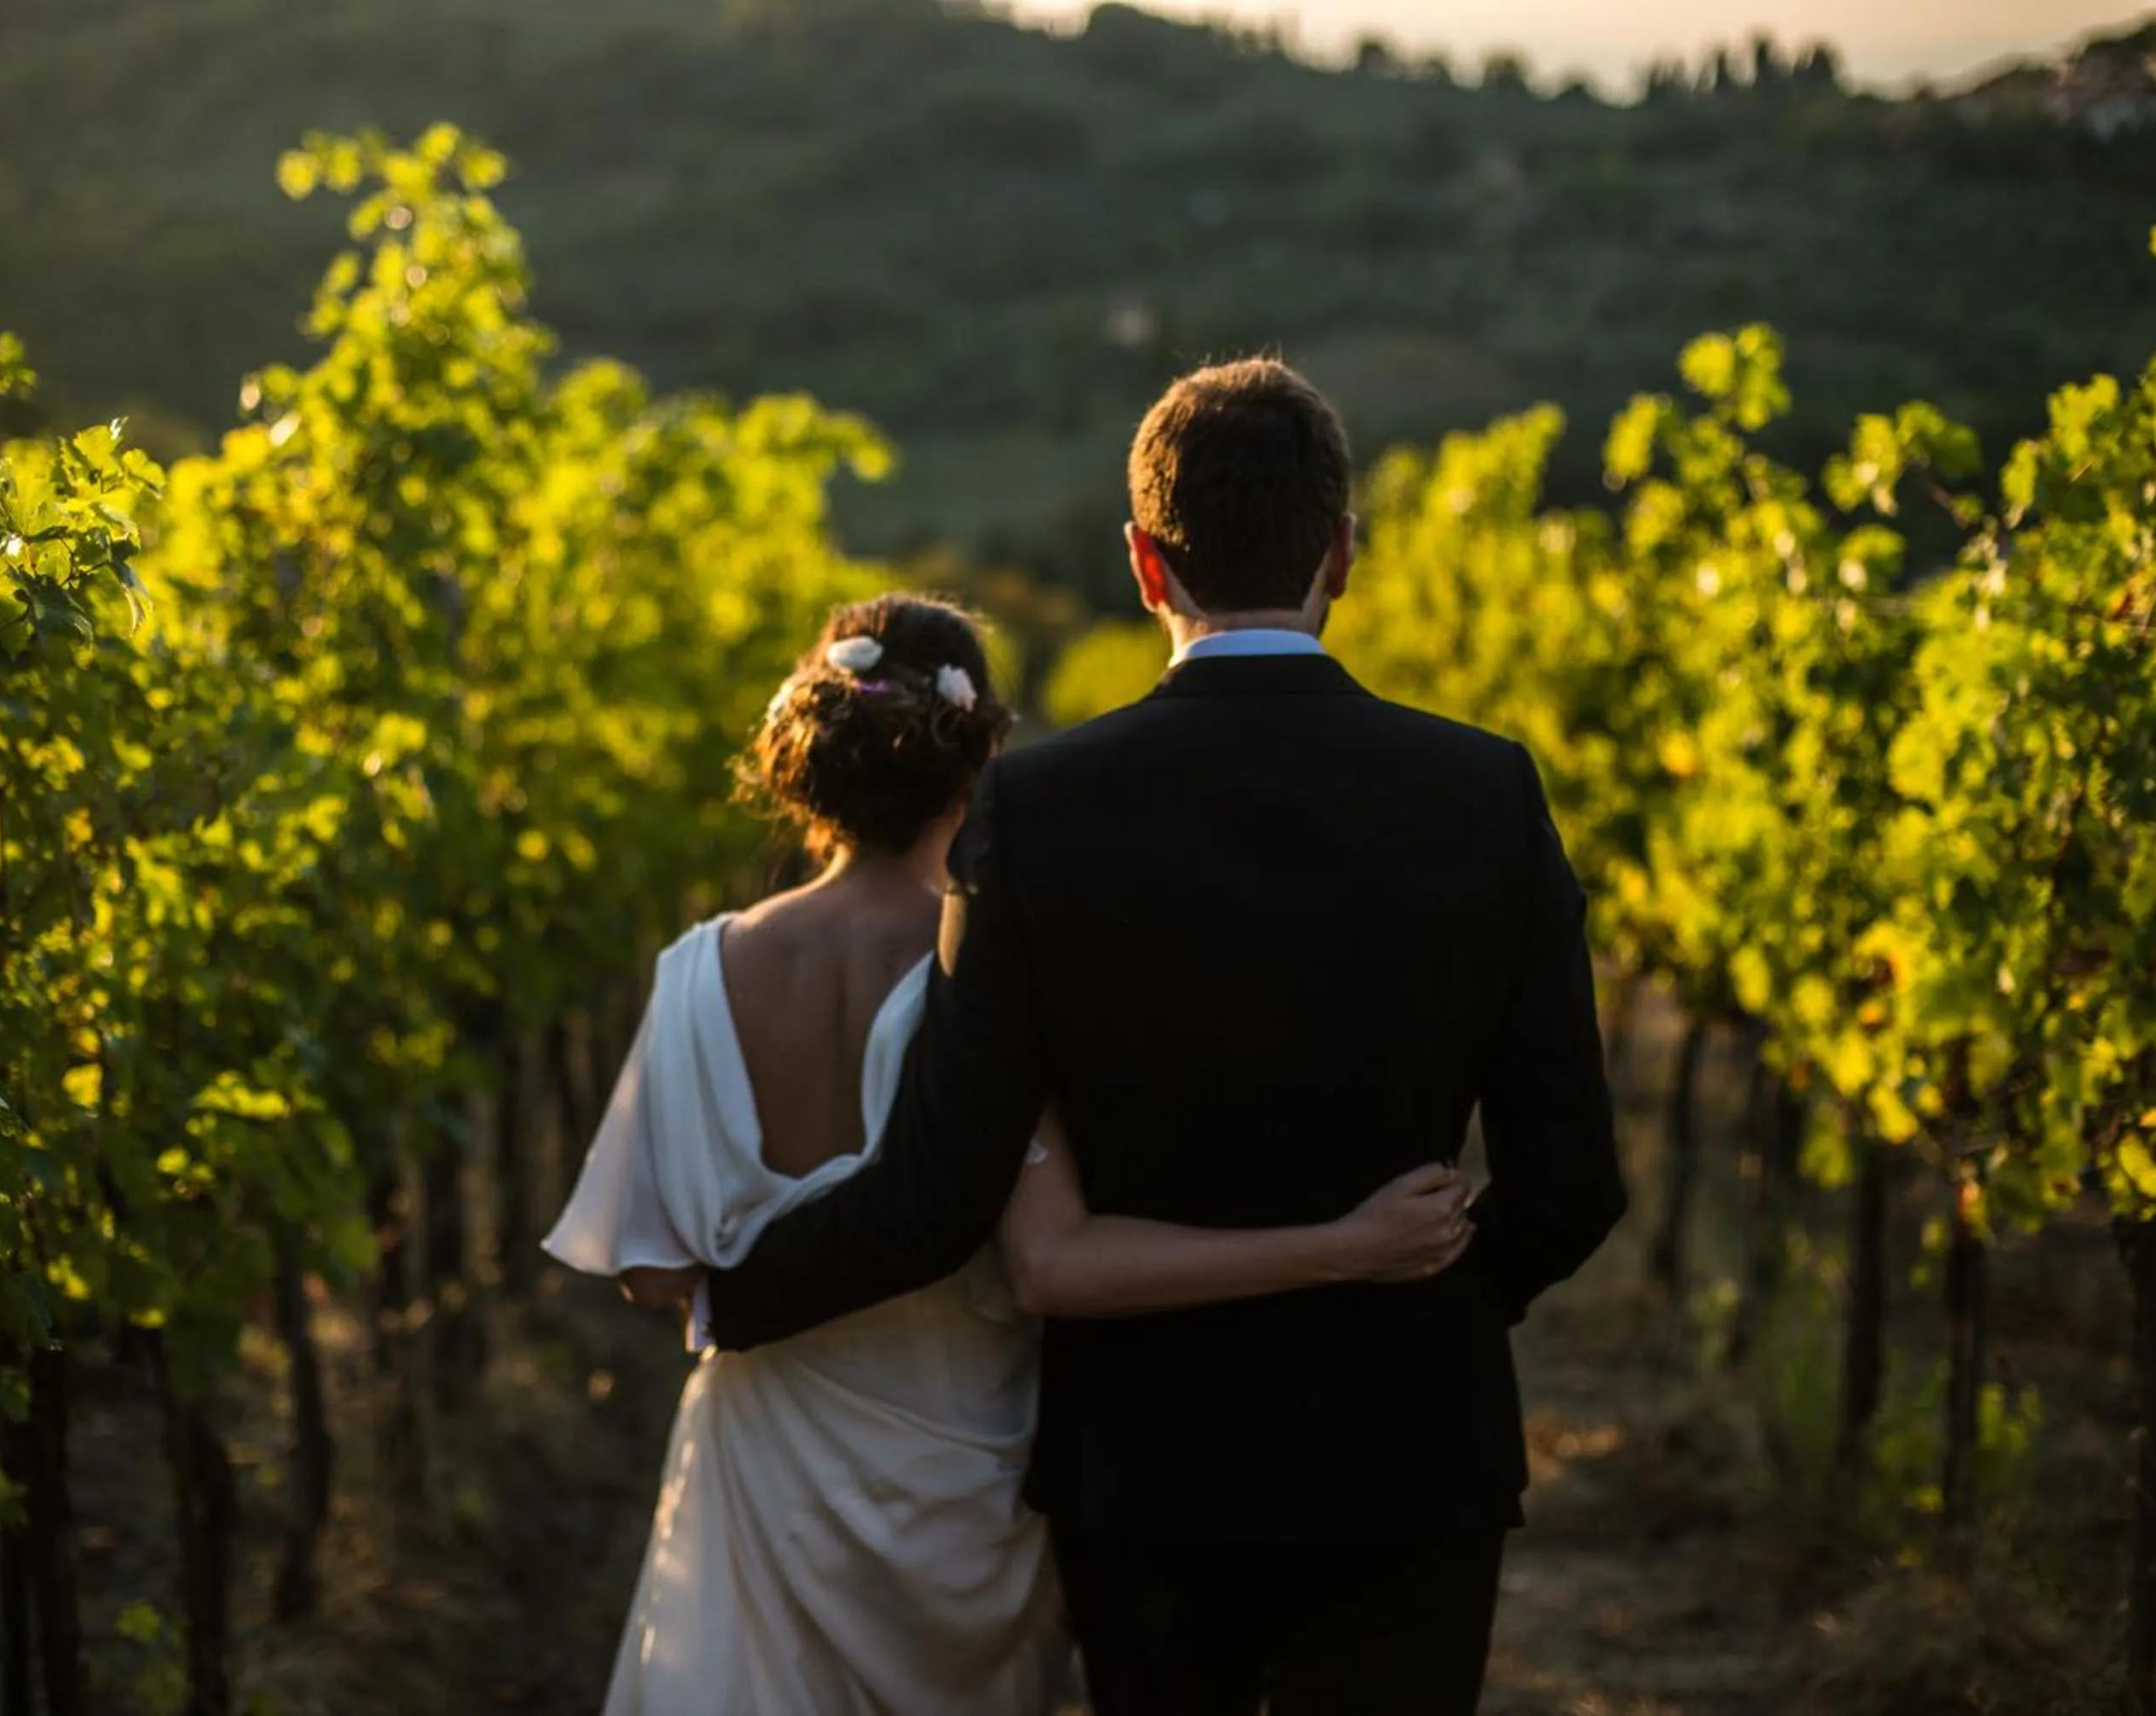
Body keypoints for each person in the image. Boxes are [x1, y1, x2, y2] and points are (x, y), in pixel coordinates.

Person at [706, 359, 1628, 1714]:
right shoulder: (1487, 790)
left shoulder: (1036, 811)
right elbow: (1573, 1183)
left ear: (1145, 564)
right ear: (1343, 552)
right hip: (1410, 1457)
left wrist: (730, 1289)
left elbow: (937, 1187)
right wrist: (1417, 1304)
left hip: (1146, 1462)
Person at [544, 591, 1480, 1714]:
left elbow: (652, 1275)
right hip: (962, 1476)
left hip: (761, 1466)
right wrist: (1340, 1244)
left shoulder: (693, 970)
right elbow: (1057, 1260)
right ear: (980, 749)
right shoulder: (988, 973)